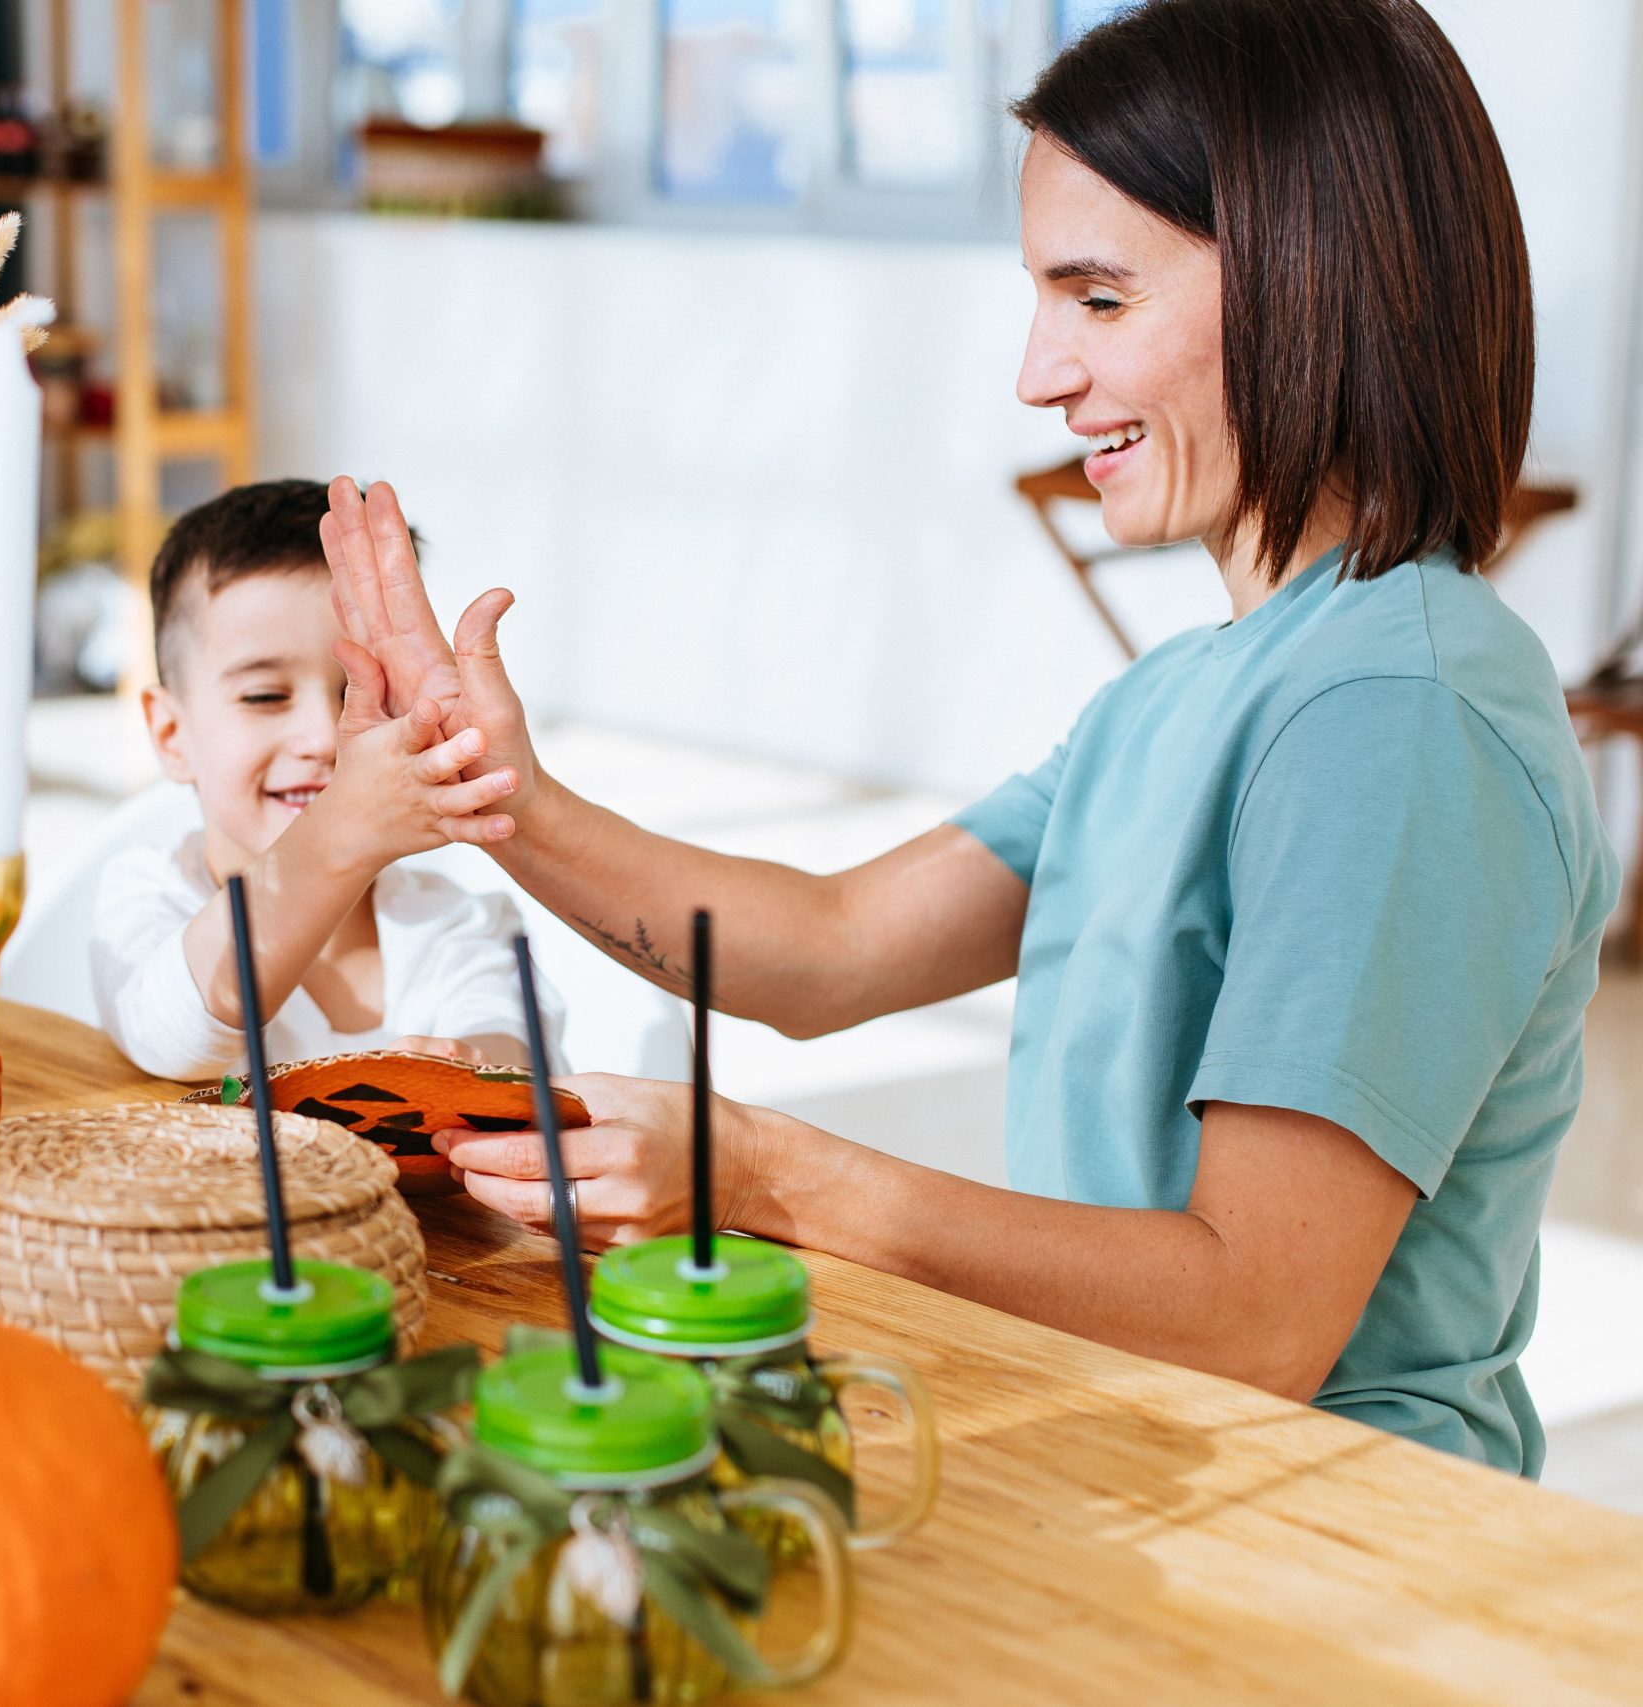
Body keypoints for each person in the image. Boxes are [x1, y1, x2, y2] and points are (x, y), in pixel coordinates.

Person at [323, 0, 1614, 1474]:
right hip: (1136, 1460)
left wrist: (770, 1176)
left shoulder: (1399, 712)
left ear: (1311, 275)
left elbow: (1258, 1318)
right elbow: (836, 943)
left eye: (1100, 298)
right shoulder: (1183, 692)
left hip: (1335, 1536)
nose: (1039, 374)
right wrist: (505, 795)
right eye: (1041, 297)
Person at [92, 479, 563, 1084]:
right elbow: (175, 1038)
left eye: (362, 693)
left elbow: (516, 1051)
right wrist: (340, 829)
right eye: (264, 696)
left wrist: (481, 1062)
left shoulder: (451, 925)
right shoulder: (150, 899)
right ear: (170, 735)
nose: (322, 736)